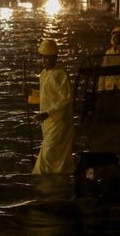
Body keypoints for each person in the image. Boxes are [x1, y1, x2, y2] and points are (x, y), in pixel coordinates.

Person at [28, 39, 75, 175]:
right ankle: (62, 178)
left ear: (55, 58)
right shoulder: (44, 74)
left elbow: (65, 101)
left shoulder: (60, 75)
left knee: (48, 155)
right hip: (49, 124)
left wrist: (48, 113)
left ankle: (42, 181)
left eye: (48, 57)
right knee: (57, 155)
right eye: (43, 57)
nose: (45, 60)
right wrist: (31, 93)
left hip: (59, 123)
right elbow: (46, 96)